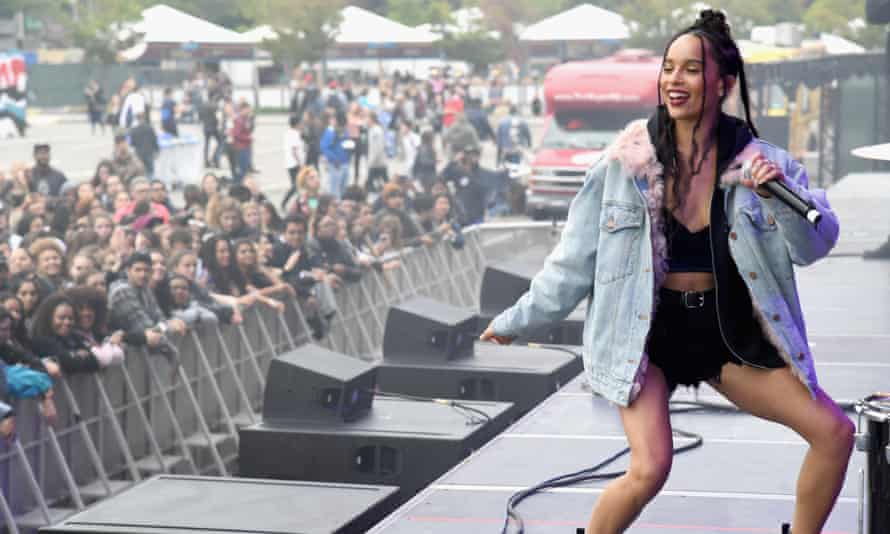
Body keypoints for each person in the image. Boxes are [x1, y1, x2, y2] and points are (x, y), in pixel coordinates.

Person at [480, 11, 852, 534]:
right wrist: (517, 321)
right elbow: (572, 262)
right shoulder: (623, 163)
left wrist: (780, 200)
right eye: (668, 68)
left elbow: (817, 244)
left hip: (729, 335)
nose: (674, 80)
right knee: (650, 467)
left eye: (691, 70)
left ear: (723, 84)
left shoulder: (764, 165)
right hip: (645, 337)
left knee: (835, 434)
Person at [280, 115, 306, 211]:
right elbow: (294, 151)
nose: (303, 124)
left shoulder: (289, 133)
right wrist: (301, 165)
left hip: (290, 163)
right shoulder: (294, 134)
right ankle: (285, 203)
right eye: (301, 123)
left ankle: (298, 205)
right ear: (297, 124)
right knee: (297, 186)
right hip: (295, 164)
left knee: (298, 187)